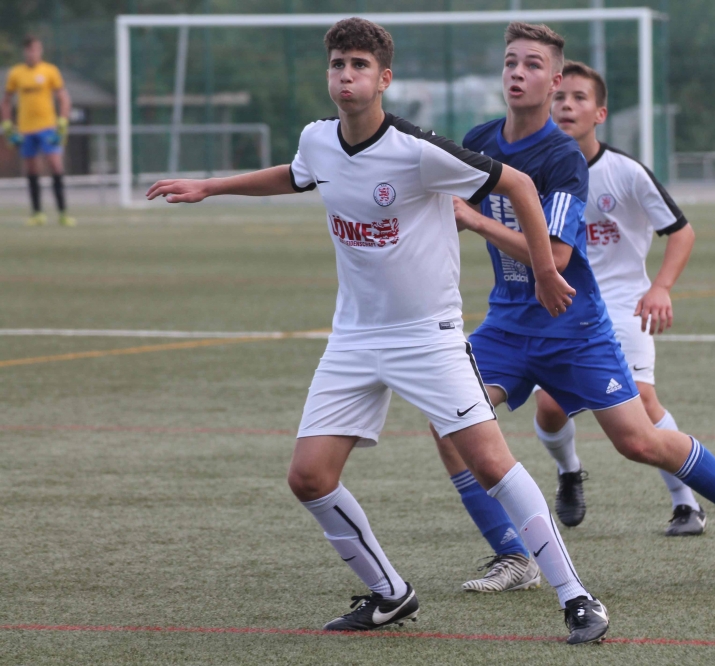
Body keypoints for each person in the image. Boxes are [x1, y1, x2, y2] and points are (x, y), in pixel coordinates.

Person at [145, 18, 609, 645]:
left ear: (384, 78)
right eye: (338, 64)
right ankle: (391, 593)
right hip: (354, 339)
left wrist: (547, 271)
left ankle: (576, 597)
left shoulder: (418, 150)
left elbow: (521, 185)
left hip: (428, 335)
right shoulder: (317, 140)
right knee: (309, 477)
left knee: (492, 464)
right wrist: (209, 187)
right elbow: (296, 173)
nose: (346, 75)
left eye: (359, 65)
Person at [432, 22, 715, 596]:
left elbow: (555, 256)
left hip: (573, 326)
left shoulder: (562, 157)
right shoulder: (479, 140)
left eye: (532, 64)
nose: (517, 73)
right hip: (505, 324)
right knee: (450, 421)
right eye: (510, 62)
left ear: (554, 81)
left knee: (639, 441)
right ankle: (514, 555)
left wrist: (477, 220)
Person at [535, 60, 703, 536]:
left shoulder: (626, 173)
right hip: (564, 302)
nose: (567, 106)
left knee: (643, 401)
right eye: (559, 97)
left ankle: (686, 503)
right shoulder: (536, 171)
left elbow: (682, 232)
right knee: (549, 407)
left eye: (579, 98)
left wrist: (660, 287)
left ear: (600, 113)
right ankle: (569, 472)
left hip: (623, 302)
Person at [2, 36, 75, 227]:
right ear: (24, 51)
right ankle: (37, 213)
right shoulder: (16, 73)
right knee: (32, 169)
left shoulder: (50, 71)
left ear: (40, 51)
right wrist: (7, 124)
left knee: (55, 166)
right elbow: (6, 101)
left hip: (47, 127)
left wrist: (63, 120)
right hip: (25, 129)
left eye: (36, 49)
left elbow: (64, 97)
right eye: (29, 50)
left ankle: (63, 213)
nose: (33, 53)